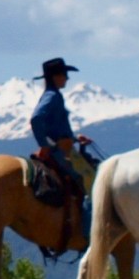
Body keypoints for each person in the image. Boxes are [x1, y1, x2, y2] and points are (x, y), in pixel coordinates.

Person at [29, 56, 96, 209]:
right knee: (90, 180)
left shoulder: (52, 95)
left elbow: (53, 126)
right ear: (55, 77)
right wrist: (45, 146)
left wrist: (75, 138)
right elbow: (36, 118)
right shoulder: (53, 96)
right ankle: (89, 228)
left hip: (62, 145)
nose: (67, 78)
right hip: (60, 151)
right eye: (64, 74)